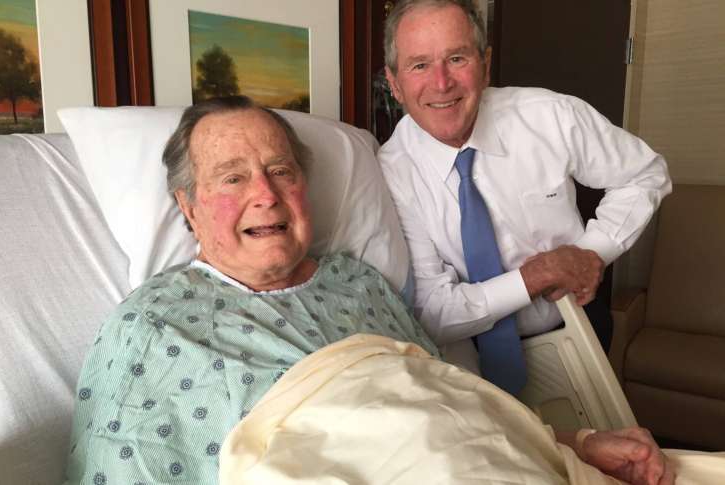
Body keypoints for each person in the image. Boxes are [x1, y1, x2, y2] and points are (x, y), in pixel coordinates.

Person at [64, 96, 671, 485]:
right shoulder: (155, 327)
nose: (265, 195)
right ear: (188, 207)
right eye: (232, 178)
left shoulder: (358, 282)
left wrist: (579, 444)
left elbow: (453, 416)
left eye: (280, 171)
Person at [378, 0, 672, 386]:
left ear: (485, 65)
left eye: (457, 58)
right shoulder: (391, 169)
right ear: (394, 83)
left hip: (576, 328)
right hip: (466, 356)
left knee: (602, 425)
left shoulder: (549, 116)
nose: (441, 83)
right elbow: (432, 309)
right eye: (419, 65)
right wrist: (535, 277)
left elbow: (645, 173)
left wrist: (592, 253)